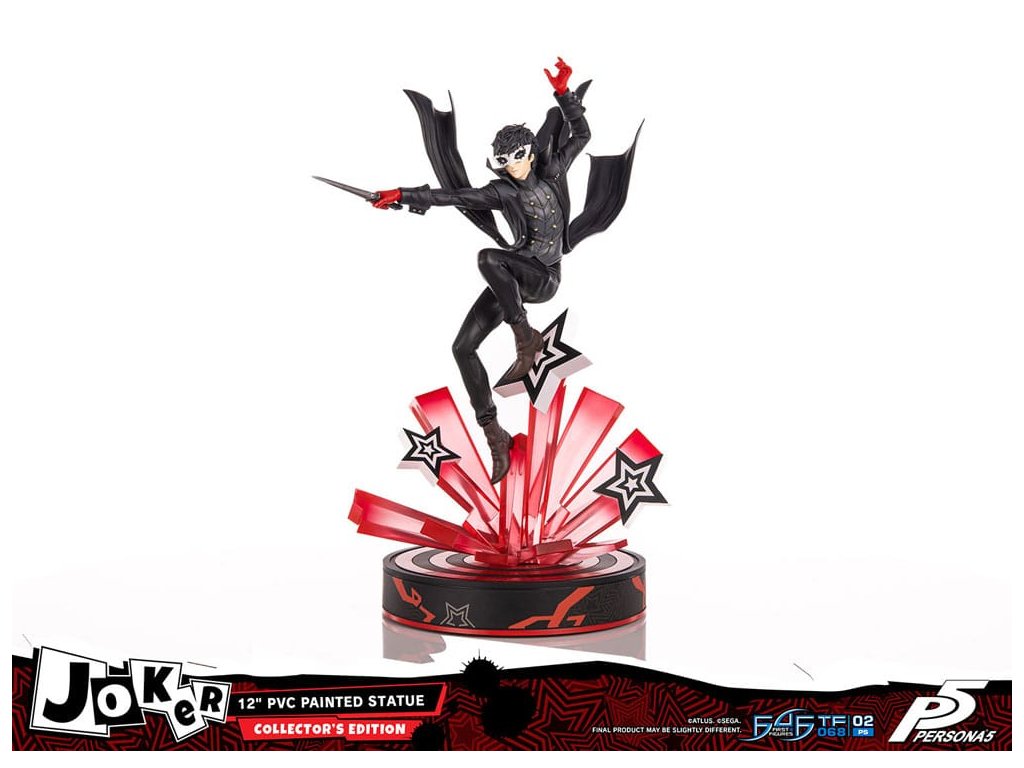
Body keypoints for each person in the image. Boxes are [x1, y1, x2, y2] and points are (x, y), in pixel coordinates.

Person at [368, 58, 638, 483]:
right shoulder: (501, 191)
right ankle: (495, 434)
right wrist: (402, 195)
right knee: (462, 348)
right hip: (513, 279)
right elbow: (453, 196)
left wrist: (564, 94)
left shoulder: (553, 169)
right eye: (503, 160)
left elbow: (583, 134)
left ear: (530, 152)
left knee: (487, 258)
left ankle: (525, 338)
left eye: (517, 157)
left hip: (543, 278)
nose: (512, 165)